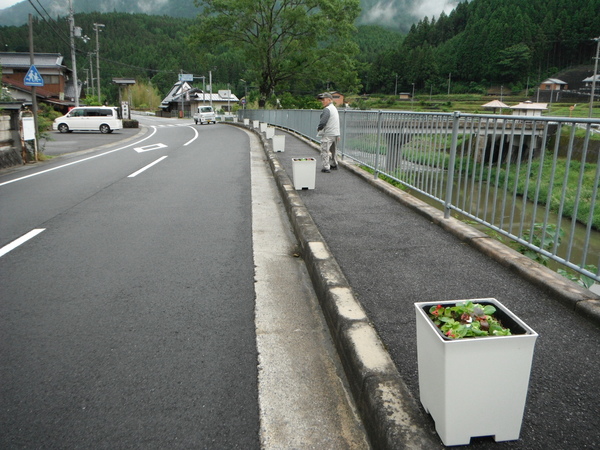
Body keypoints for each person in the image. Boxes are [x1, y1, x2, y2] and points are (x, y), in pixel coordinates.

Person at [316, 92, 340, 173]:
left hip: (328, 133)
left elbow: (323, 122)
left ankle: (326, 167)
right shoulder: (334, 108)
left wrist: (319, 128)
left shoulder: (327, 109)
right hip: (335, 133)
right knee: (334, 151)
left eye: (323, 100)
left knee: (324, 150)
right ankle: (334, 164)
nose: (322, 101)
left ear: (329, 100)